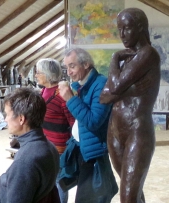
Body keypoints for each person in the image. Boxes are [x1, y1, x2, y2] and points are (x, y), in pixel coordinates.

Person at [100, 8, 160, 203]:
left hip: (137, 130)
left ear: (140, 27)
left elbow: (114, 87)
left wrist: (114, 58)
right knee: (132, 194)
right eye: (119, 29)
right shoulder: (128, 60)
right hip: (115, 130)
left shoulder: (148, 54)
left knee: (128, 198)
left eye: (127, 28)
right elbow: (104, 97)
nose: (122, 35)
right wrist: (128, 90)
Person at [0, 88, 60, 203]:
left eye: (7, 114)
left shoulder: (25, 161)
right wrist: (4, 194)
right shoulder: (49, 147)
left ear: (21, 119)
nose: (5, 119)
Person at [58, 48, 118, 203]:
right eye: (66, 68)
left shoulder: (101, 84)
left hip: (93, 153)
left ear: (86, 64)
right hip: (80, 148)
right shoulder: (82, 85)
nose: (69, 72)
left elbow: (93, 121)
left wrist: (70, 99)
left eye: (72, 66)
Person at [35, 58, 75, 203]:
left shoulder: (61, 94)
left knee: (59, 182)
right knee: (46, 180)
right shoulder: (44, 91)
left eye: (38, 72)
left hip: (59, 148)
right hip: (44, 144)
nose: (36, 75)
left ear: (47, 74)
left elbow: (73, 121)